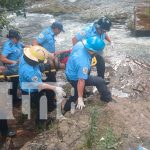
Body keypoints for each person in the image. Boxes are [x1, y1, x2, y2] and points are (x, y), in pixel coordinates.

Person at [19, 45, 66, 124]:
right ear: (34, 61)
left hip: (35, 82)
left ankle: (50, 106)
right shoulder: (28, 70)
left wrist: (50, 55)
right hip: (30, 90)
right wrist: (55, 88)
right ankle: (41, 122)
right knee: (42, 103)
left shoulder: (28, 54)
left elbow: (42, 52)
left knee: (50, 89)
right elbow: (39, 85)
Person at [63, 36, 112, 112]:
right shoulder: (83, 62)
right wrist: (80, 98)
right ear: (92, 51)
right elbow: (81, 80)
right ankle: (106, 99)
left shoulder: (80, 44)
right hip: (74, 77)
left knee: (78, 90)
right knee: (99, 81)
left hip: (70, 70)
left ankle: (69, 106)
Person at [0, 29, 24, 106]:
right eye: (17, 38)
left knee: (15, 82)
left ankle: (14, 96)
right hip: (12, 67)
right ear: (12, 38)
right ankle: (14, 99)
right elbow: (2, 58)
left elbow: (23, 45)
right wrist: (14, 62)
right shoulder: (8, 45)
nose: (18, 39)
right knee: (21, 76)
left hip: (19, 65)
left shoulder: (17, 43)